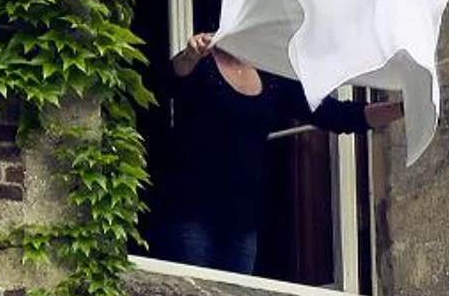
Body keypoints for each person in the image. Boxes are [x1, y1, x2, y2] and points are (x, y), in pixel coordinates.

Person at [146, 32, 405, 276]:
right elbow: (165, 82)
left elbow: (337, 115)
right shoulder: (202, 62)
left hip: (241, 224)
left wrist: (402, 109)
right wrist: (189, 56)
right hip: (189, 215)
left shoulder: (272, 76)